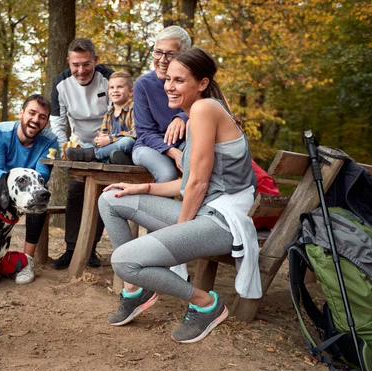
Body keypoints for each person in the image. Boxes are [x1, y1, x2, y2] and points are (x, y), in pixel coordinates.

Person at [98, 47, 261, 343]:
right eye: (168, 79)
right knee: (110, 199)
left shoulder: (203, 110)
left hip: (222, 221)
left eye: (179, 80)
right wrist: (141, 188)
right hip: (203, 212)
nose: (169, 87)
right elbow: (187, 184)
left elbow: (197, 185)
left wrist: (180, 231)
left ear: (201, 83)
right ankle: (136, 290)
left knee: (123, 262)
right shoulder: (197, 112)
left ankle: (206, 304)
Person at [49, 38, 114, 270]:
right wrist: (65, 147)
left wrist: (105, 145)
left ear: (95, 60)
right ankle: (70, 248)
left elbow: (116, 115)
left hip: (106, 146)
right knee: (75, 194)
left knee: (100, 195)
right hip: (78, 147)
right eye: (75, 64)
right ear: (69, 62)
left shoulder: (109, 79)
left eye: (86, 64)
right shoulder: (61, 83)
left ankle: (90, 248)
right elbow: (57, 121)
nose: (81, 70)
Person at [0, 94, 58, 284]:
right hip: (2, 185)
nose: (36, 120)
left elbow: (42, 174)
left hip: (30, 187)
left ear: (46, 121)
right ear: (21, 112)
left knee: (40, 196)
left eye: (42, 117)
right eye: (32, 113)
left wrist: (26, 190)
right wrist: (14, 186)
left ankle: (27, 262)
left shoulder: (51, 141)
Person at [132, 26, 191, 182]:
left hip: (184, 143)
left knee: (199, 163)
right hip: (148, 146)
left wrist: (182, 117)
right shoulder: (143, 85)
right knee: (167, 174)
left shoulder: (192, 81)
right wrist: (173, 152)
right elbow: (145, 133)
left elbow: (208, 106)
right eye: (158, 52)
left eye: (170, 54)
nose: (162, 60)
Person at [66, 71, 136, 165]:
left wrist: (109, 139)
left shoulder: (134, 109)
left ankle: (95, 155)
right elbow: (103, 135)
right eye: (112, 87)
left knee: (127, 142)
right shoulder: (108, 114)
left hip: (128, 149)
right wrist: (98, 140)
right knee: (88, 145)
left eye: (120, 87)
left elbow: (135, 134)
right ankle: (112, 159)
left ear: (130, 92)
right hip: (112, 150)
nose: (115, 90)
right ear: (108, 92)